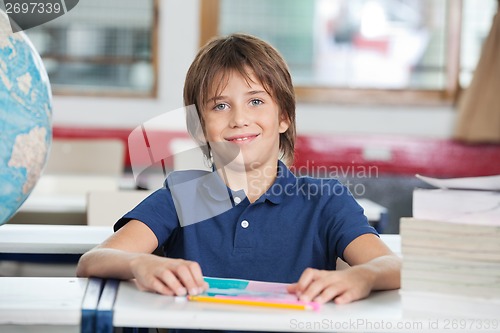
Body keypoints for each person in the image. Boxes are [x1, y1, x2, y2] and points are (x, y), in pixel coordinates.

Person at [77, 33, 401, 324]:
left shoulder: (325, 199)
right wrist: (140, 265)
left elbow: (393, 266)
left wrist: (363, 278)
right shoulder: (182, 194)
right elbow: (94, 260)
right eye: (220, 106)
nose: (239, 119)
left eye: (256, 101)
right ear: (200, 128)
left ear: (284, 117)